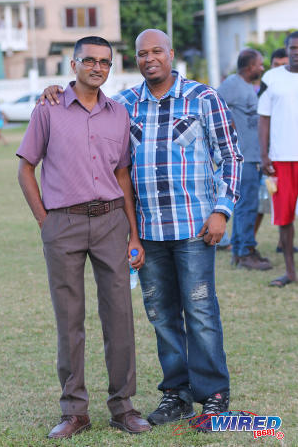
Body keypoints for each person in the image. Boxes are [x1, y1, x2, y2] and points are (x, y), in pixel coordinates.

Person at [39, 29, 243, 432]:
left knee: (200, 311)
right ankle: (177, 394)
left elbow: (232, 156)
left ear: (171, 54)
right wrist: (54, 91)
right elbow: (87, 108)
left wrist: (222, 210)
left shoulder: (203, 98)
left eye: (157, 52)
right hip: (147, 230)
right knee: (161, 315)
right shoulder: (126, 104)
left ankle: (214, 395)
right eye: (141, 53)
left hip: (194, 227)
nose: (150, 59)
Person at [17, 36, 151, 439]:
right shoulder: (49, 108)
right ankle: (75, 410)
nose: (98, 67)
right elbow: (26, 168)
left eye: (105, 62)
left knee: (119, 316)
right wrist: (46, 222)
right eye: (89, 60)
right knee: (69, 319)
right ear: (73, 64)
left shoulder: (118, 114)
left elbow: (123, 176)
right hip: (63, 224)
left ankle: (123, 407)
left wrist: (134, 234)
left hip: (111, 221)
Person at [218, 49, 272, 270]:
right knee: (246, 207)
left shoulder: (249, 87)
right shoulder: (232, 83)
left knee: (246, 206)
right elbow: (213, 103)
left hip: (253, 156)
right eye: (259, 64)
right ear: (250, 66)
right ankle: (245, 253)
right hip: (242, 157)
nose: (262, 68)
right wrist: (227, 131)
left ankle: (241, 252)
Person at [258, 31, 298, 287]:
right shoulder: (271, 78)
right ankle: (290, 272)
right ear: (286, 51)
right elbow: (264, 118)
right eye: (293, 48)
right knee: (284, 217)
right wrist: (264, 154)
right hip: (281, 159)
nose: (296, 52)